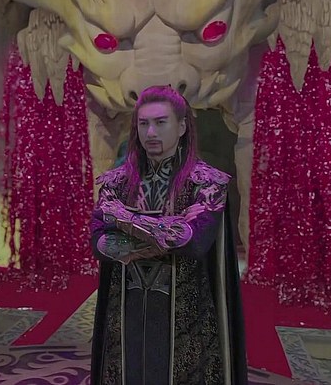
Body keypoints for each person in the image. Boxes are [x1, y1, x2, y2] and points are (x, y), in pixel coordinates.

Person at [90, 86, 247, 385]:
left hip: (187, 314)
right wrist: (163, 234)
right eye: (143, 123)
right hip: (126, 309)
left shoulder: (207, 183)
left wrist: (123, 218)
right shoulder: (116, 182)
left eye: (161, 122)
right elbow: (99, 242)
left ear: (182, 126)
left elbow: (193, 241)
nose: (151, 132)